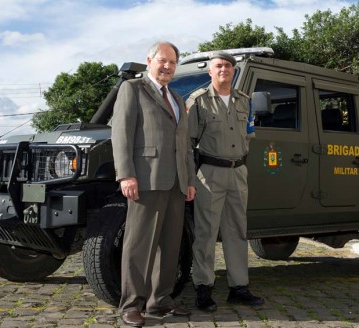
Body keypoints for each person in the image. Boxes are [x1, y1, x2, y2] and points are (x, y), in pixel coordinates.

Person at [111, 41, 196, 327]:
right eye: (163, 60)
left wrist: (190, 179)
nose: (168, 66)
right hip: (146, 180)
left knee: (170, 247)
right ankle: (131, 304)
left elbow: (184, 145)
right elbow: (121, 134)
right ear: (150, 60)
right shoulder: (133, 89)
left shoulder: (176, 98)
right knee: (139, 246)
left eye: (173, 62)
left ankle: (160, 302)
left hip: (176, 183)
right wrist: (126, 174)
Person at [187, 51, 264, 312]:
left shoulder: (244, 101)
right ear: (210, 72)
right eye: (219, 66)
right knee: (206, 233)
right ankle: (203, 288)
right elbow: (188, 143)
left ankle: (239, 287)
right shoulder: (198, 101)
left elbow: (248, 135)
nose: (224, 69)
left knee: (236, 231)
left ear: (234, 71)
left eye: (229, 66)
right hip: (209, 172)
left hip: (238, 172)